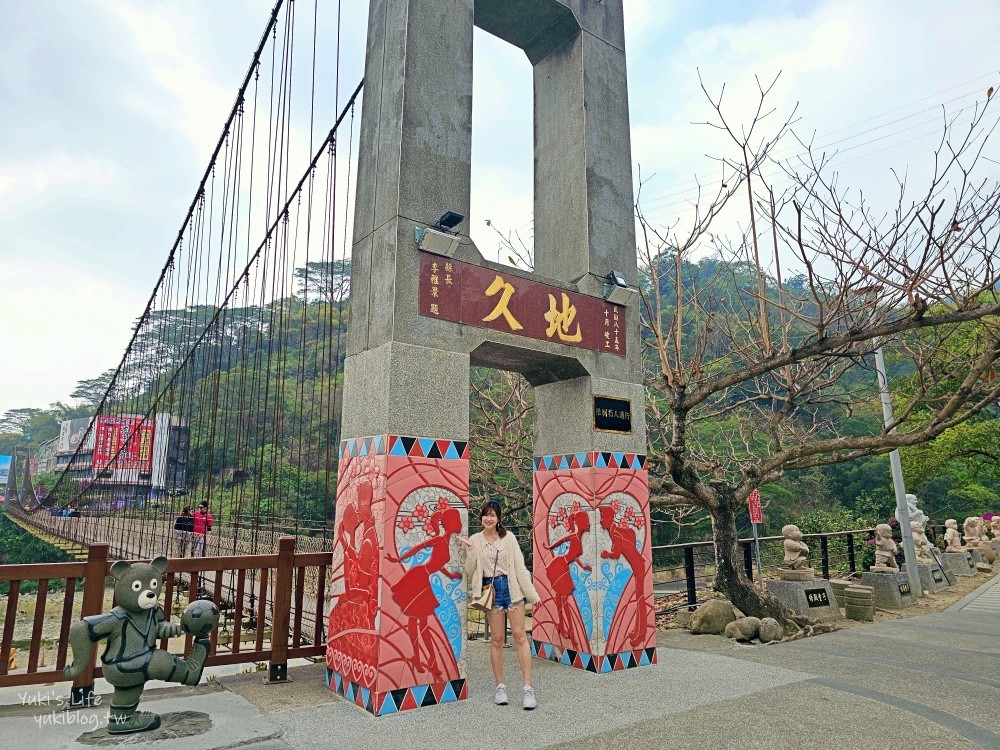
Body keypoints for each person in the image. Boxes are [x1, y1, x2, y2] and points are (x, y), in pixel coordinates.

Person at [460, 501, 540, 710]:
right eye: (486, 515)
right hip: (491, 590)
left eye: (493, 515)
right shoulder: (475, 540)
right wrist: (470, 551)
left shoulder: (509, 538)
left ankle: (528, 688)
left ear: (498, 518)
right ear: (481, 518)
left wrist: (532, 595)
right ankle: (500, 687)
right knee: (496, 640)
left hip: (511, 588)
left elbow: (520, 568)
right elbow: (470, 571)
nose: (489, 518)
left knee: (520, 636)